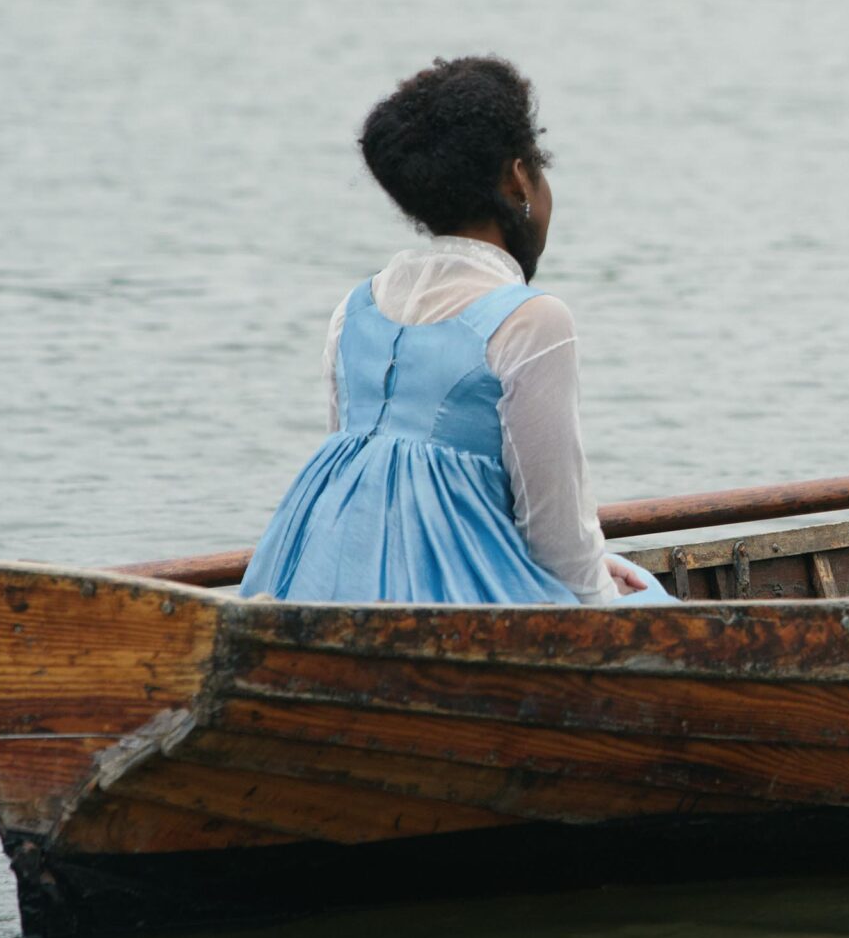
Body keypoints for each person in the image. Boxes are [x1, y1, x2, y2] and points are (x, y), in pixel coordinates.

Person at [241, 56, 669, 606]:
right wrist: (600, 589)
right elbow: (555, 535)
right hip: (459, 606)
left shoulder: (355, 309)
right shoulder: (533, 321)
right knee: (650, 599)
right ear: (519, 179)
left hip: (317, 582)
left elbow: (367, 491)